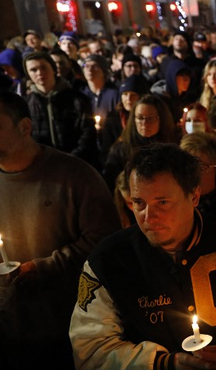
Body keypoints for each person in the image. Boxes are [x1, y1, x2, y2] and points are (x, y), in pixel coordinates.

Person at [69, 143, 216, 370]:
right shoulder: (108, 261)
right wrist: (162, 364)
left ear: (194, 195)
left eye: (162, 202)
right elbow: (90, 347)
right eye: (139, 203)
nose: (149, 217)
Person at [0, 91, 119, 369]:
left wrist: (44, 268)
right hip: (8, 330)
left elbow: (105, 241)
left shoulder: (75, 176)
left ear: (25, 127)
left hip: (64, 328)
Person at [23, 51, 98, 165]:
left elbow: (87, 133)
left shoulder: (77, 99)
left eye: (44, 67)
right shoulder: (26, 104)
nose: (39, 73)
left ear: (53, 69)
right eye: (33, 70)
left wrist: (71, 159)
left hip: (78, 164)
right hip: (44, 167)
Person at [104, 94, 180, 189]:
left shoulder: (175, 146)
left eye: (150, 118)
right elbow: (111, 183)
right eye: (140, 118)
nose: (144, 123)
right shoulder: (120, 150)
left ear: (162, 119)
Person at [100, 74, 148, 161]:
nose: (128, 99)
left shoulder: (146, 117)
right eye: (125, 94)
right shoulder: (113, 117)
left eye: (133, 94)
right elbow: (106, 147)